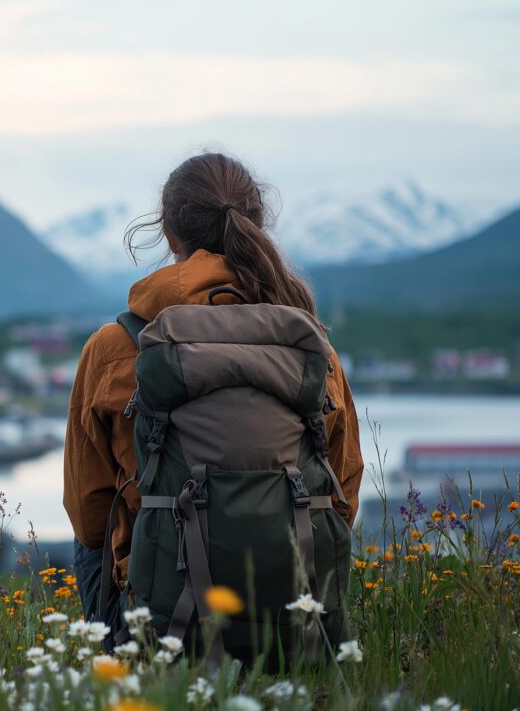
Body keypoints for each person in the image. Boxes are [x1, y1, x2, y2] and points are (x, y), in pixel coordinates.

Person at [63, 152, 364, 635]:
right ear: (257, 225)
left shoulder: (116, 347)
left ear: (170, 235)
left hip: (160, 619)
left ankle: (122, 659)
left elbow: (89, 514)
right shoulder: (310, 347)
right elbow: (342, 493)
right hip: (291, 613)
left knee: (90, 538)